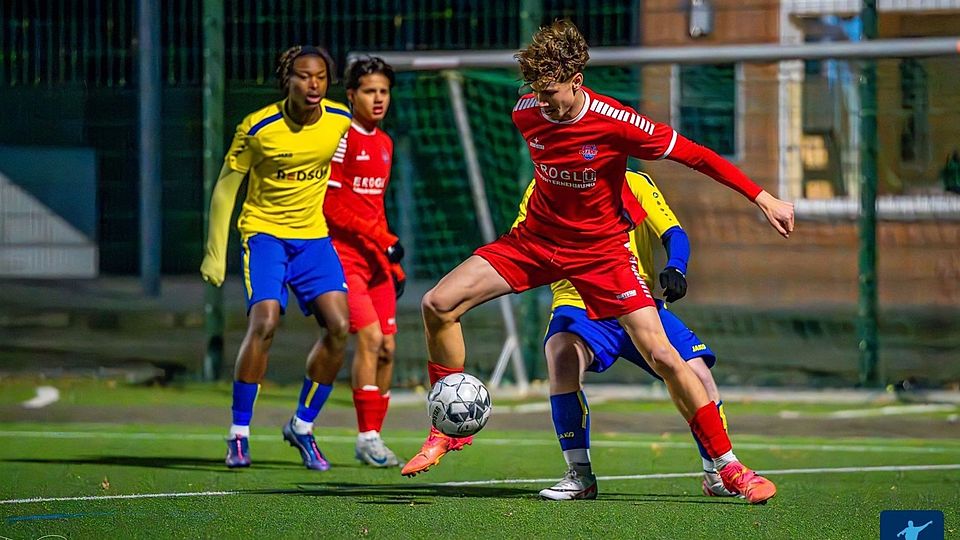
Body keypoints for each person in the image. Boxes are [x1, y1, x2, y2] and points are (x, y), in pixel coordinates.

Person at [402, 20, 793, 505]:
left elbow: (696, 157)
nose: (543, 102)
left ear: (577, 82)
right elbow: (538, 120)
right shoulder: (525, 113)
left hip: (601, 252)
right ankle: (449, 430)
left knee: (664, 355)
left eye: (552, 93)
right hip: (536, 240)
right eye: (537, 92)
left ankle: (729, 468)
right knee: (438, 303)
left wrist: (763, 197)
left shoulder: (618, 121)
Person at [521, 170, 736, 500]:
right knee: (562, 354)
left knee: (698, 374)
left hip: (638, 303)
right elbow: (520, 241)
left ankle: (717, 471)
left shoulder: (635, 182)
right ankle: (579, 475)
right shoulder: (542, 183)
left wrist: (676, 265)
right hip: (579, 303)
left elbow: (673, 233)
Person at [200, 45, 353, 471]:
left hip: (313, 239)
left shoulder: (340, 120)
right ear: (287, 79)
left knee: (340, 327)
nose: (313, 84)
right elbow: (228, 186)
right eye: (304, 76)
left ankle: (302, 426)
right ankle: (238, 433)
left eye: (321, 76)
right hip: (265, 235)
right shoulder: (259, 127)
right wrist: (215, 253)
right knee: (265, 322)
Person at [323, 56, 406, 468]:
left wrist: (392, 261)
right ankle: (366, 437)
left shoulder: (386, 143)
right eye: (370, 91)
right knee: (369, 338)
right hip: (344, 256)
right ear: (351, 95)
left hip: (377, 261)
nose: (378, 99)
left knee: (389, 348)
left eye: (384, 91)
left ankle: (373, 436)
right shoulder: (343, 137)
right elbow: (332, 206)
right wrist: (383, 240)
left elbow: (374, 208)